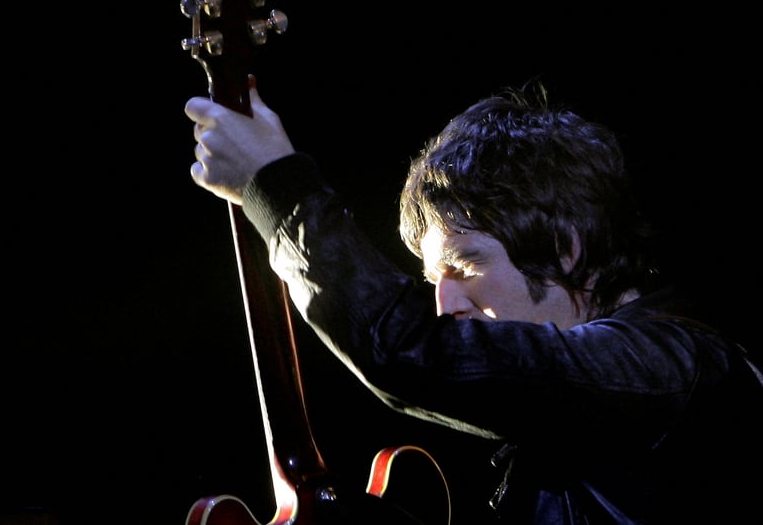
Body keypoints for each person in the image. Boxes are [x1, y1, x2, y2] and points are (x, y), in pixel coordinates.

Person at [184, 76, 763, 523]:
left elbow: (410, 349)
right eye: (434, 275)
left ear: (564, 248)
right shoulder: (569, 424)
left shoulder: (672, 366)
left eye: (465, 266)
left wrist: (275, 185)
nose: (445, 303)